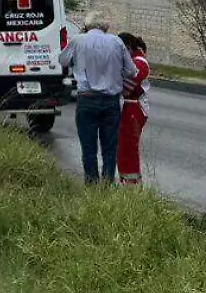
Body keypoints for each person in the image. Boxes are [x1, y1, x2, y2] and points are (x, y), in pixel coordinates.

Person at [58, 13, 136, 184]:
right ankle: (107, 184)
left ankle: (91, 184)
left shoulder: (78, 41)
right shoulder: (117, 42)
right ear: (105, 26)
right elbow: (131, 71)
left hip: (86, 99)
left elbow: (62, 60)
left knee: (89, 147)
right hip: (111, 102)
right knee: (109, 148)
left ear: (87, 25)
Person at [117, 32, 151, 186]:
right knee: (124, 142)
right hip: (131, 105)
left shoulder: (140, 62)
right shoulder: (135, 60)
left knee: (129, 143)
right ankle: (126, 177)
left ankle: (132, 180)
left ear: (128, 47)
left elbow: (127, 86)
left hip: (135, 106)